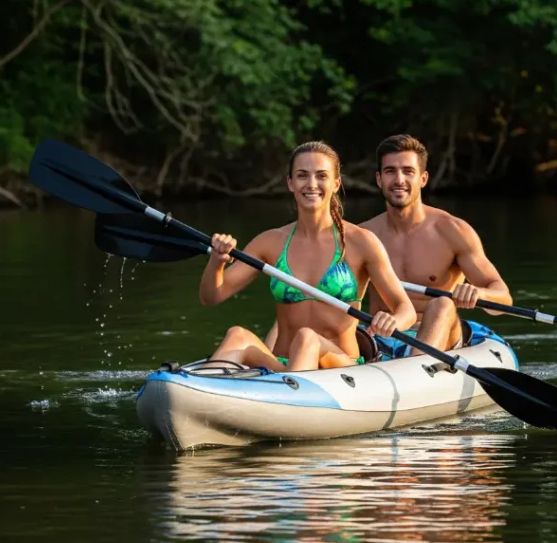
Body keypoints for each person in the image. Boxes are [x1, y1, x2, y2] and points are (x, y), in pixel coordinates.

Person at [199, 141, 416, 372]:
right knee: (237, 335)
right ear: (290, 183)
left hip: (341, 367)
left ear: (336, 183)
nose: (312, 184)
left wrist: (393, 321)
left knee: (306, 338)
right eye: (302, 176)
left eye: (321, 176)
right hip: (282, 365)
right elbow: (211, 296)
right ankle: (197, 394)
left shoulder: (361, 242)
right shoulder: (270, 242)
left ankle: (287, 397)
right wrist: (217, 261)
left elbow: (406, 310)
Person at [358, 134, 511, 355]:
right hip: (384, 338)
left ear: (423, 179)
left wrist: (479, 293)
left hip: (442, 337)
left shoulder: (452, 231)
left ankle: (416, 368)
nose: (399, 180)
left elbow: (503, 297)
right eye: (390, 171)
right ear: (379, 179)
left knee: (441, 304)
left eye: (408, 171)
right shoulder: (363, 236)